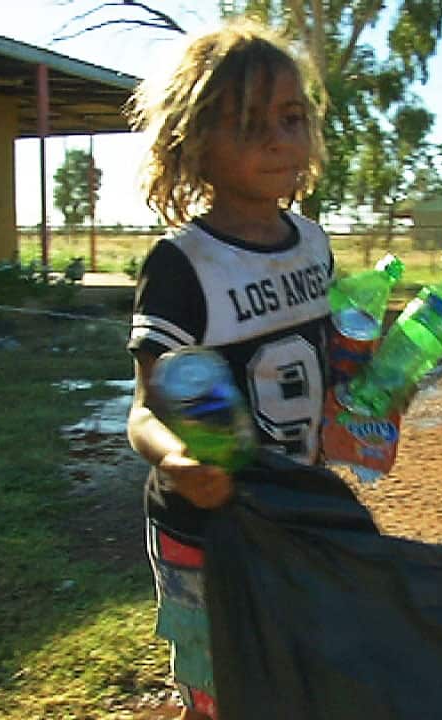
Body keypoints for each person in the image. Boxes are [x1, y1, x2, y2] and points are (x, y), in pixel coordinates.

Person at [124, 19, 330, 720]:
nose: (279, 138)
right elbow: (145, 411)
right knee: (219, 691)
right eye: (249, 123)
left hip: (295, 512)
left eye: (292, 117)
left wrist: (370, 400)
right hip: (203, 535)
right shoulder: (183, 264)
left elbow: (328, 370)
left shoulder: (314, 246)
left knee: (287, 670)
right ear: (196, 145)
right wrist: (180, 459)